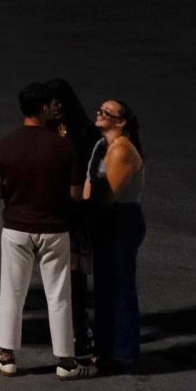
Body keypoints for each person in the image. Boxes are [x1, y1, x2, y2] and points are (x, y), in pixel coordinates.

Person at [0, 82, 90, 380]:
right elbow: (75, 193)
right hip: (54, 228)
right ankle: (66, 362)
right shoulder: (63, 146)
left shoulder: (6, 144)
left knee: (12, 291)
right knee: (58, 294)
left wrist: (16, 191)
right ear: (44, 108)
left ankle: (6, 357)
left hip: (16, 227)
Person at [84, 96, 146, 371]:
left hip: (121, 219)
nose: (100, 113)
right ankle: (106, 347)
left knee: (119, 287)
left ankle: (123, 353)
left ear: (121, 123)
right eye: (100, 109)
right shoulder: (102, 145)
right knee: (105, 287)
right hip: (107, 219)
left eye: (107, 112)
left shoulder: (122, 150)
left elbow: (109, 196)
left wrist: (82, 212)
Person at [46, 77, 98, 360]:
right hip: (60, 208)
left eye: (58, 102)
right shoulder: (49, 130)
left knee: (74, 270)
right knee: (64, 271)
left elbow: (79, 186)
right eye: (50, 102)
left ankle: (79, 331)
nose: (54, 107)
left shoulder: (77, 133)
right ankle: (73, 329)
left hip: (73, 211)